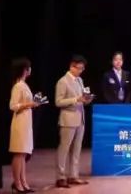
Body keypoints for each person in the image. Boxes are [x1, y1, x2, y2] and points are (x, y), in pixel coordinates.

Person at [55, 55, 92, 189]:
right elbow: (58, 102)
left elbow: (81, 97)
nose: (81, 71)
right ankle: (61, 177)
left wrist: (86, 99)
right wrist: (76, 99)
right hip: (68, 119)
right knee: (64, 149)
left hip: (80, 118)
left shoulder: (80, 80)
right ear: (72, 66)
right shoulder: (63, 81)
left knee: (77, 149)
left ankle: (73, 175)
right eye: (79, 68)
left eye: (82, 68)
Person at [9, 58, 39, 193]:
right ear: (25, 70)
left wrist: (34, 103)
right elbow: (13, 106)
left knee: (24, 154)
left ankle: (23, 181)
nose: (30, 70)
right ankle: (17, 183)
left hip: (26, 122)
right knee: (19, 153)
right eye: (28, 67)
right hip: (20, 123)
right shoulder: (18, 86)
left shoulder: (24, 85)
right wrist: (29, 104)